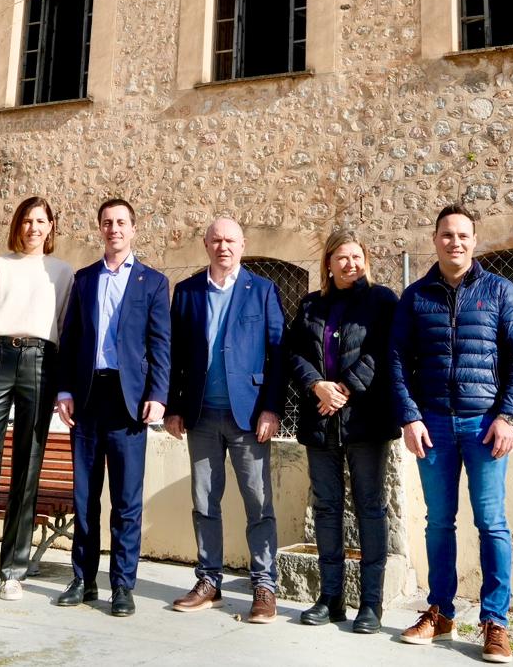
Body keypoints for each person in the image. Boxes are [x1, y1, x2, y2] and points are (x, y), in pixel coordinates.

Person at [390, 205, 513, 664]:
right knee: (439, 523)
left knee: (491, 523)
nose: (455, 242)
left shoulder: (500, 291)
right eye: (446, 235)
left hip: (485, 426)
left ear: (475, 241)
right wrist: (410, 417)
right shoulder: (415, 298)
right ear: (434, 240)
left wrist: (509, 416)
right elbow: (396, 361)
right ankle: (440, 611)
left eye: (463, 235)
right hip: (432, 424)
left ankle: (495, 621)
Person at [53, 198, 171, 617]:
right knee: (85, 496)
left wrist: (158, 394)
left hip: (129, 402)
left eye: (121, 222)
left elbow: (160, 344)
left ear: (133, 229)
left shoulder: (153, 282)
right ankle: (83, 580)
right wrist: (63, 390)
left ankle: (122, 585)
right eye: (107, 222)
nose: (114, 229)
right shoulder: (84, 279)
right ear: (100, 229)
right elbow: (70, 341)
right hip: (86, 399)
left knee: (126, 500)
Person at [165, 217, 286, 624]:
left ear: (243, 244)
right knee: (204, 502)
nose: (223, 247)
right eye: (216, 240)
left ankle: (264, 585)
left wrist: (271, 408)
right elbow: (175, 356)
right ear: (205, 244)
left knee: (259, 503)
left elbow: (277, 355)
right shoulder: (186, 292)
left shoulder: (263, 291)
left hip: (249, 417)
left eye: (230, 240)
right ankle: (208, 581)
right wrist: (173, 406)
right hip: (200, 415)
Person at [0, 195, 74, 601]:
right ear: (17, 225)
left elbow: (64, 326)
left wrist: (64, 387)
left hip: (42, 361)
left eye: (41, 220)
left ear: (51, 226)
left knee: (28, 465)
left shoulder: (62, 272)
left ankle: (13, 571)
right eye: (26, 220)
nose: (33, 227)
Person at [285, 228, 399, 633]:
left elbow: (383, 352)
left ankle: (371, 604)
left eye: (357, 257)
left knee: (370, 509)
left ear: (365, 260)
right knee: (327, 509)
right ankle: (330, 598)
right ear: (329, 264)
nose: (350, 264)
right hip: (320, 421)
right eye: (342, 258)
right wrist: (318, 385)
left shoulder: (382, 301)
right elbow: (294, 352)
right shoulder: (311, 305)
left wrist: (345, 388)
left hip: (365, 421)